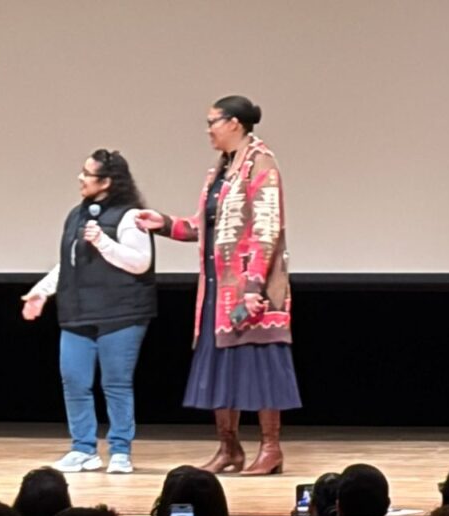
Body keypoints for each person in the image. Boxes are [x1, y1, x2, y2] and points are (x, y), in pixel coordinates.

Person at [137, 95, 301, 475]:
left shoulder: (261, 163)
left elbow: (267, 228)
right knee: (221, 367)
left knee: (260, 363)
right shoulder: (222, 169)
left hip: (252, 289)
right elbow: (207, 226)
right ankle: (229, 449)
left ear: (234, 123)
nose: (208, 130)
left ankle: (271, 449)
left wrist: (253, 287)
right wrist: (164, 224)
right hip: (218, 289)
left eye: (213, 122)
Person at [22, 150, 156, 474]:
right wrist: (41, 291)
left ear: (106, 182)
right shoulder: (76, 215)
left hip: (120, 314)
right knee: (74, 381)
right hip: (78, 312)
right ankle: (83, 449)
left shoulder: (130, 217)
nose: (80, 178)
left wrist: (104, 243)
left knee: (116, 383)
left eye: (87, 173)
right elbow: (68, 263)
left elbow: (141, 262)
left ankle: (120, 450)